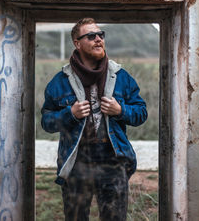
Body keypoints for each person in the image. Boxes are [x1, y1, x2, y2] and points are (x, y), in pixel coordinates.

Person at [40, 18, 148, 221]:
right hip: (77, 162)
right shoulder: (60, 81)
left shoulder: (121, 76)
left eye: (101, 35)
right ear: (77, 43)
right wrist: (69, 114)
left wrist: (120, 110)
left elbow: (141, 113)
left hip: (112, 161)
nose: (98, 39)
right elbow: (46, 122)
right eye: (91, 36)